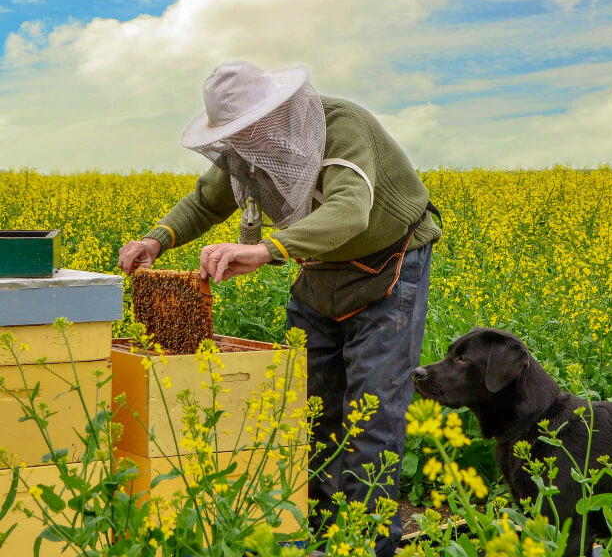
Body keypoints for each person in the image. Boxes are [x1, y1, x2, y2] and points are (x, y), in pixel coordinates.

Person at [118, 61, 441, 556]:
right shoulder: (250, 151)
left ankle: (363, 545)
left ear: (278, 112)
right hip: (318, 269)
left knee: (372, 412)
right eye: (234, 134)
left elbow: (350, 210)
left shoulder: (342, 128)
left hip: (389, 264)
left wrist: (264, 250)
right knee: (307, 409)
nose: (243, 140)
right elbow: (206, 201)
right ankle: (312, 530)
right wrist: (157, 239)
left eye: (249, 128)